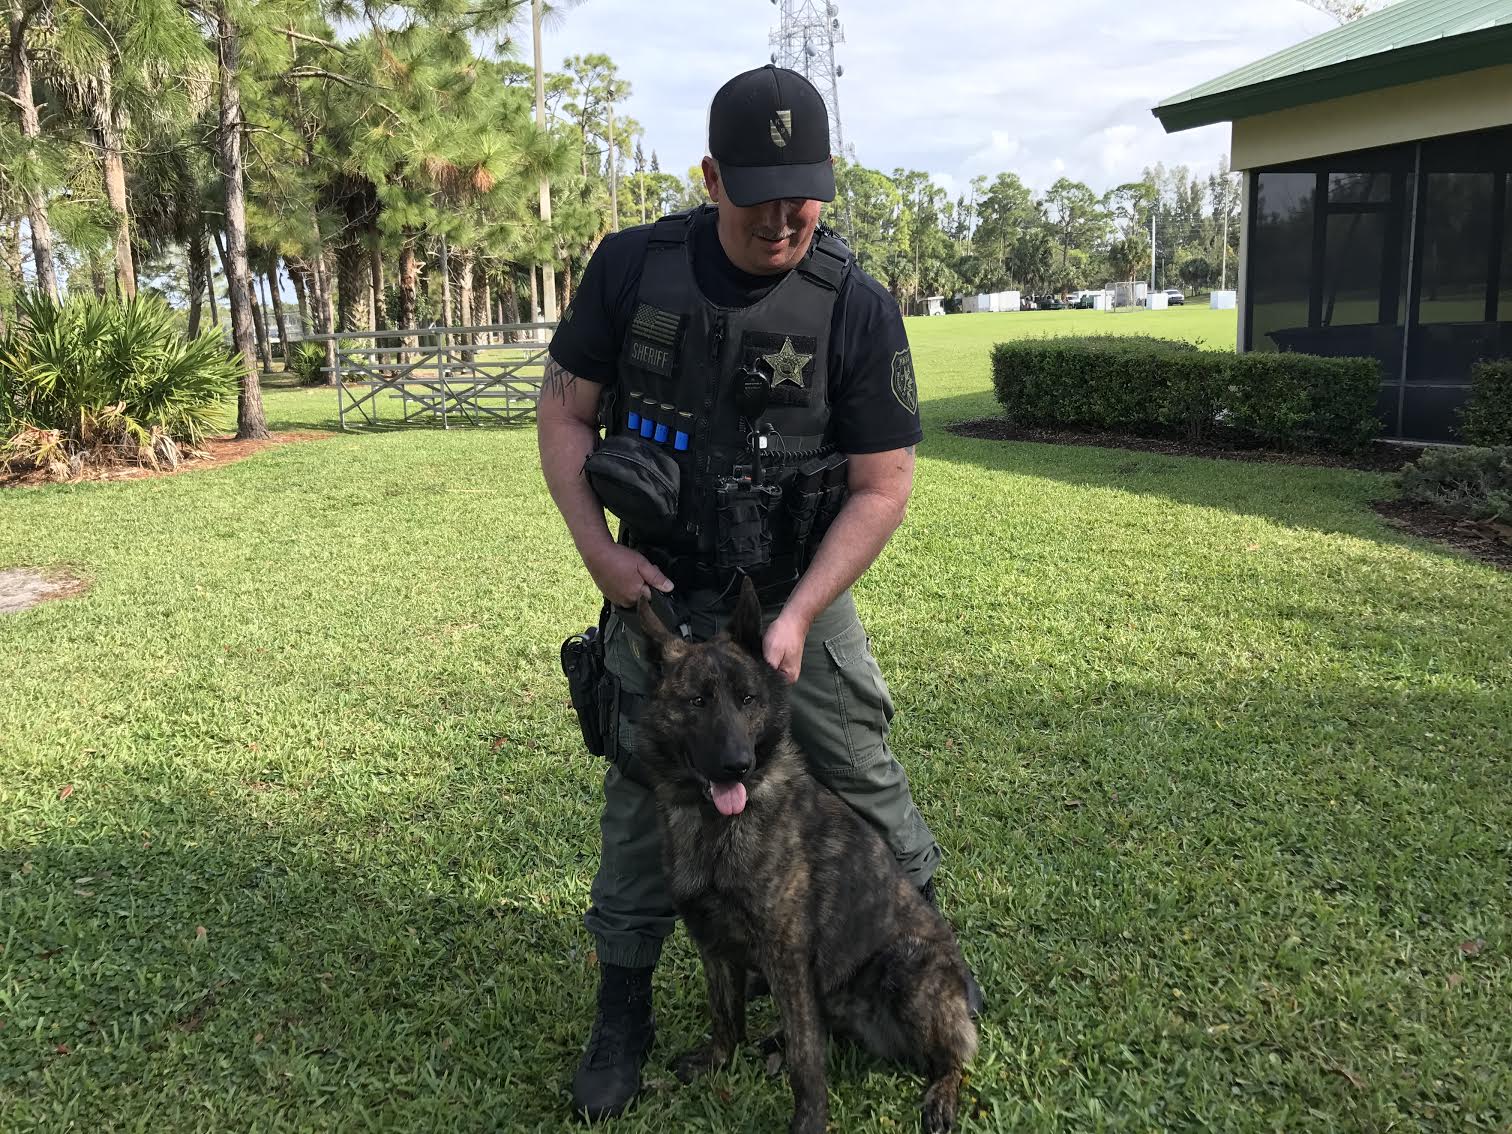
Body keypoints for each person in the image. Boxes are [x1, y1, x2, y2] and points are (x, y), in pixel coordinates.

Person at [537, 64, 980, 1122]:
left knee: (861, 768)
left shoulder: (855, 304)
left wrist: (797, 614)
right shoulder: (633, 270)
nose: (787, 213)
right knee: (643, 802)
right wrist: (597, 553)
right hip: (658, 593)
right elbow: (563, 418)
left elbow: (883, 485)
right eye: (761, 189)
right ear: (711, 176)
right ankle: (624, 1007)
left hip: (798, 591)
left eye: (807, 189)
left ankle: (934, 966)